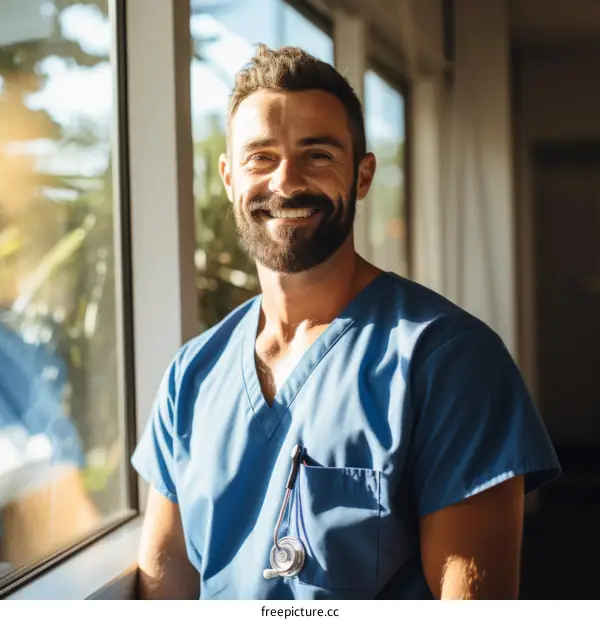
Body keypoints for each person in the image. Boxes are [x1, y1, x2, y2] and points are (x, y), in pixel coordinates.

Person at [131, 44, 560, 600]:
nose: (286, 183)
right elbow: (164, 594)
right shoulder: (190, 377)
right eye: (261, 157)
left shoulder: (450, 361)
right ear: (229, 177)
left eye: (317, 155)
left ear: (361, 176)